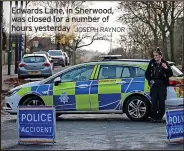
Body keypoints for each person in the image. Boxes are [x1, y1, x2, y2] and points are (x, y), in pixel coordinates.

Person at [145, 48, 173, 122]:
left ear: (160, 56)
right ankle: (154, 117)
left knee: (161, 101)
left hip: (162, 84)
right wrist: (150, 80)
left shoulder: (164, 63)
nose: (155, 57)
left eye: (156, 55)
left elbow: (170, 74)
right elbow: (147, 74)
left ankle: (160, 116)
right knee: (153, 101)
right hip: (154, 84)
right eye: (154, 55)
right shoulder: (151, 63)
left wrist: (166, 68)